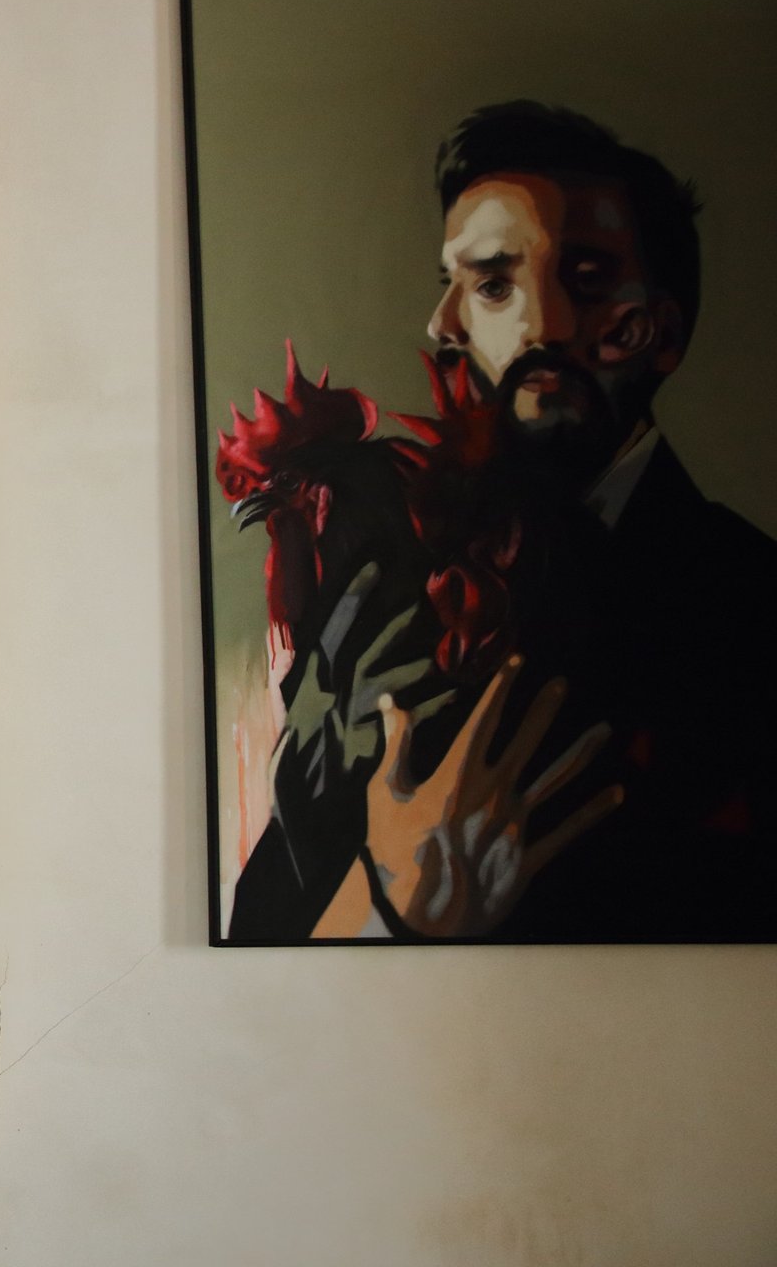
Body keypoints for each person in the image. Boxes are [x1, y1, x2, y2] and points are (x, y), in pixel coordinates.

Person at [229, 102, 777, 942]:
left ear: (635, 331)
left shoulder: (749, 600)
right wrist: (388, 902)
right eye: (450, 284)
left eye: (488, 285)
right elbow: (262, 924)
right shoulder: (386, 579)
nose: (441, 325)